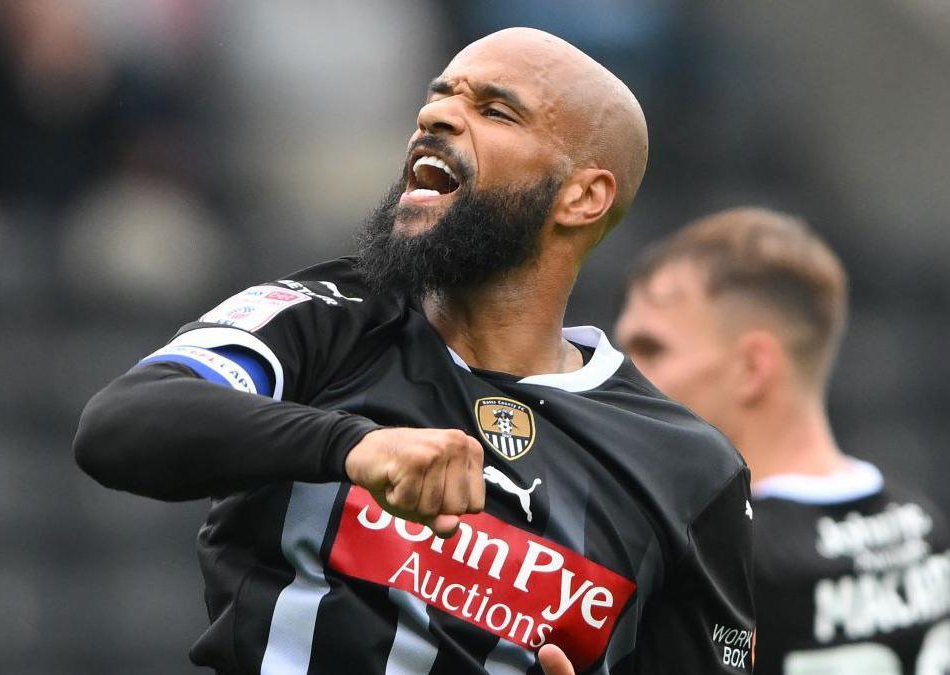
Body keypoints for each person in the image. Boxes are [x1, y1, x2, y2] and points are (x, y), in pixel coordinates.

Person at [75, 28, 754, 675]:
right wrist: (354, 447)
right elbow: (121, 423)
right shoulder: (331, 320)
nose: (437, 117)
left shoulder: (688, 470)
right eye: (441, 96)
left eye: (495, 111)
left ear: (582, 195)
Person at [615, 207, 950, 675]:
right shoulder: (925, 525)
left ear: (753, 367)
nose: (619, 375)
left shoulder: (715, 560)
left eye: (651, 349)